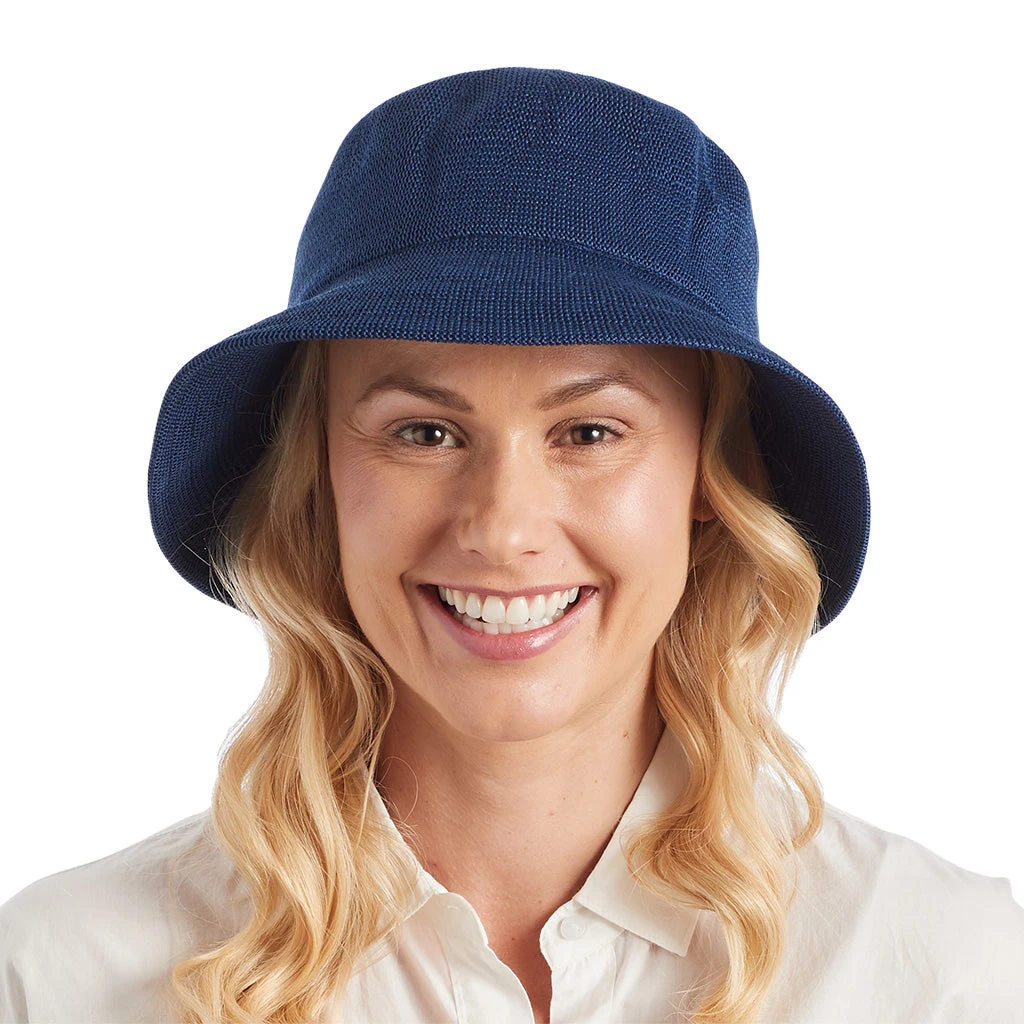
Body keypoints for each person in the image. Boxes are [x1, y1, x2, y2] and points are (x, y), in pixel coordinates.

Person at [1, 66, 1021, 1024]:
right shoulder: (64, 976)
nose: (501, 528)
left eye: (590, 433)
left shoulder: (943, 970)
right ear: (317, 471)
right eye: (423, 432)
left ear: (713, 475)